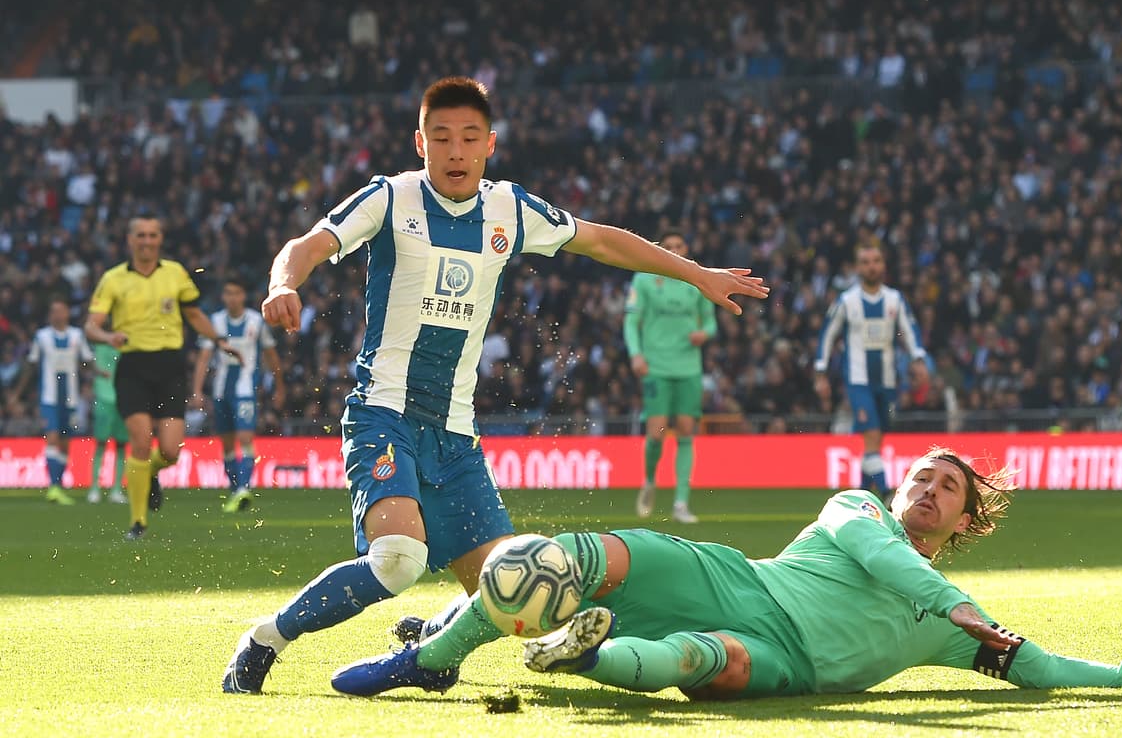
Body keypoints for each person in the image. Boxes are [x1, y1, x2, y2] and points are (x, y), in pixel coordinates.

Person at [222, 76, 768, 694]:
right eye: (442, 137)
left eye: (469, 138)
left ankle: (434, 640)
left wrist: (695, 274)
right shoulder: (390, 198)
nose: (456, 151)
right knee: (398, 558)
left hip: (456, 433)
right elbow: (306, 244)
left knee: (513, 588)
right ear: (420, 143)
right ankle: (265, 638)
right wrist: (282, 284)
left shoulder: (509, 208)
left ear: (490, 145)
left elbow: (600, 241)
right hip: (384, 414)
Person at [331, 448, 1122, 699]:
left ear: (968, 519)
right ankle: (438, 656)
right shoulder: (857, 512)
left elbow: (1042, 667)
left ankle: (580, 656)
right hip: (733, 579)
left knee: (710, 665)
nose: (927, 490)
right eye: (922, 476)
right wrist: (961, 606)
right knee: (566, 558)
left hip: (783, 659)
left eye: (948, 488)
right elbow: (895, 562)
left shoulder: (948, 632)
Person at [84, 215, 241, 540]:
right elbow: (91, 324)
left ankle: (150, 472)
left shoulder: (176, 274)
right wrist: (106, 336)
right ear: (130, 240)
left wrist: (219, 341)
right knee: (140, 441)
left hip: (170, 366)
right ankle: (137, 522)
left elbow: (194, 314)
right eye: (140, 234)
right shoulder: (113, 279)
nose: (146, 240)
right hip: (132, 366)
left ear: (159, 239)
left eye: (152, 235)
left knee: (171, 450)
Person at [814, 239, 927, 497]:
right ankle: (888, 493)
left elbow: (910, 331)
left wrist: (918, 358)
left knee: (876, 439)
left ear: (883, 265)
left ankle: (864, 491)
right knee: (872, 433)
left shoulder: (894, 299)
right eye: (866, 262)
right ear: (857, 268)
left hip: (887, 380)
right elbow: (827, 335)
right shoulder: (847, 301)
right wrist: (820, 372)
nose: (872, 267)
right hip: (857, 381)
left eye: (876, 261)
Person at [625, 231, 717, 523]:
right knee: (657, 433)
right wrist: (636, 354)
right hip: (656, 366)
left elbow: (712, 322)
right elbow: (631, 320)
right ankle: (650, 481)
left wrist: (705, 333)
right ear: (660, 250)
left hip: (688, 366)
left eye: (679, 246)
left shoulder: (697, 280)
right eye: (669, 247)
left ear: (686, 248)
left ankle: (680, 503)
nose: (675, 250)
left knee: (687, 431)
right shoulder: (644, 279)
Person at [191, 278, 285, 513]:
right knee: (227, 444)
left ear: (243, 296)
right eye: (228, 293)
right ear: (223, 297)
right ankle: (235, 491)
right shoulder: (214, 322)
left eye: (237, 293)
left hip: (245, 391)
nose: (232, 298)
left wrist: (279, 385)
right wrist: (197, 390)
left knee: (245, 438)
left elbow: (271, 355)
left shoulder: (256, 321)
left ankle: (244, 488)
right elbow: (203, 358)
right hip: (221, 391)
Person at [9, 297, 95, 505]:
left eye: (61, 310)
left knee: (65, 443)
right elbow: (31, 365)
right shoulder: (42, 336)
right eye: (54, 311)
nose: (58, 315)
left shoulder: (77, 335)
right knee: (53, 437)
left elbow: (85, 361)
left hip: (71, 397)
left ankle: (58, 485)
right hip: (49, 397)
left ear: (67, 313)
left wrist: (97, 373)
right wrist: (17, 393)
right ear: (50, 315)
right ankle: (54, 487)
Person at [87, 341, 129, 505]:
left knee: (121, 444)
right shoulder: (98, 344)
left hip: (124, 398)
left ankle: (117, 489)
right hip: (103, 398)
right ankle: (94, 488)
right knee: (101, 443)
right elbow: (87, 361)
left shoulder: (127, 346)